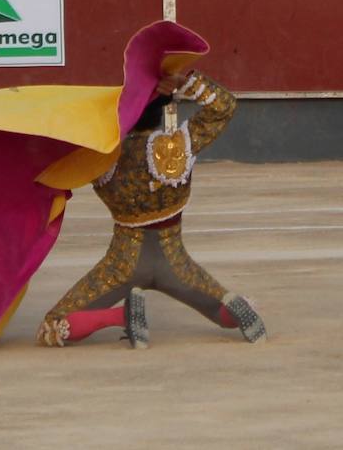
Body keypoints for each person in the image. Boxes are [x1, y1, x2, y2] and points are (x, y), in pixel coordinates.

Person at [37, 69, 266, 349]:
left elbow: (52, 158)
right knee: (215, 306)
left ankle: (120, 315)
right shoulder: (178, 144)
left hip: (122, 265)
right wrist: (187, 83)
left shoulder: (101, 157)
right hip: (175, 264)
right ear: (163, 111)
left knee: (54, 325)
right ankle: (235, 308)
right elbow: (224, 106)